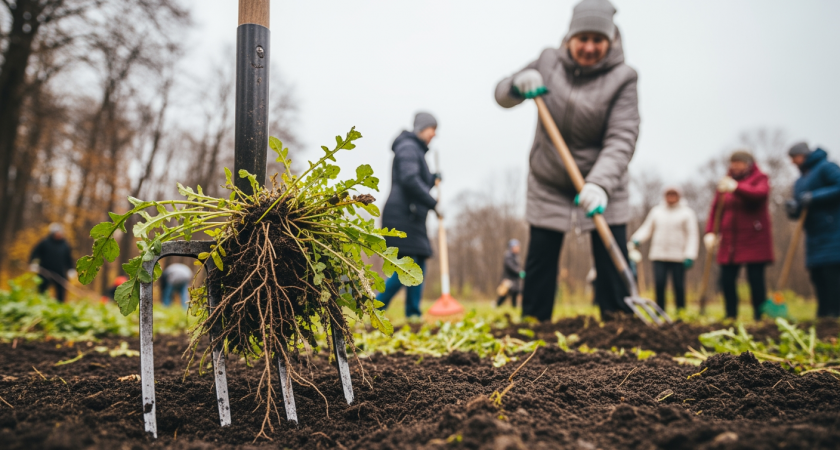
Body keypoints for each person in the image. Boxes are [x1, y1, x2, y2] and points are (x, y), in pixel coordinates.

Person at [495, 0, 639, 321]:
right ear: (569, 37)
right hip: (549, 179)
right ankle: (534, 326)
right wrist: (517, 85)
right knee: (541, 262)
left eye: (598, 40)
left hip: (604, 182)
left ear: (611, 40)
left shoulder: (623, 78)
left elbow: (622, 137)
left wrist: (599, 184)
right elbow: (501, 94)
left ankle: (620, 327)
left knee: (611, 258)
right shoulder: (548, 61)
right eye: (582, 38)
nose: (589, 47)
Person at [377, 112, 440, 319]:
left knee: (418, 265)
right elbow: (409, 179)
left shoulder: (416, 151)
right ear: (422, 128)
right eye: (433, 129)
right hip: (401, 217)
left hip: (412, 217)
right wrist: (433, 203)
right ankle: (375, 307)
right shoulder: (408, 147)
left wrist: (432, 178)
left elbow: (418, 180)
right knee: (406, 268)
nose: (434, 134)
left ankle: (413, 313)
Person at [704, 151, 773, 321]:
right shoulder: (724, 183)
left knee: (755, 278)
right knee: (727, 278)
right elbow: (716, 209)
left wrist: (736, 188)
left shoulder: (760, 178)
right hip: (730, 239)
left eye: (739, 162)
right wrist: (711, 232)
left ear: (748, 164)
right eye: (733, 163)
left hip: (754, 237)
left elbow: (759, 195)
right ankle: (731, 314)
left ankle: (759, 314)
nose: (735, 166)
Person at [785, 142, 840, 318]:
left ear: (804, 155)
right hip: (813, 235)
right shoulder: (800, 181)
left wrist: (814, 197)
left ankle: (835, 312)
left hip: (833, 230)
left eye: (795, 158)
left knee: (832, 273)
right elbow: (801, 207)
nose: (793, 162)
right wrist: (794, 208)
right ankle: (823, 313)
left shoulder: (826, 167)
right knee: (817, 275)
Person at [629, 187, 699, 311]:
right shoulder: (657, 212)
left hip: (679, 256)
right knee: (659, 284)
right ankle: (660, 310)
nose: (671, 197)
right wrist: (636, 239)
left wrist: (690, 255)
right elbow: (647, 228)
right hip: (659, 254)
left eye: (674, 194)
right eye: (668, 194)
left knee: (678, 285)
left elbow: (692, 235)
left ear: (679, 196)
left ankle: (680, 310)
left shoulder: (687, 213)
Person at [29, 223, 75, 303]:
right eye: (57, 232)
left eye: (60, 232)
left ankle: (60, 307)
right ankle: (40, 305)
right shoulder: (45, 242)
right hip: (45, 271)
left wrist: (71, 269)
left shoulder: (65, 245)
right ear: (52, 233)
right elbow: (35, 252)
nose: (59, 234)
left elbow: (69, 258)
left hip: (60, 272)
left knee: (61, 292)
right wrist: (33, 262)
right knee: (42, 290)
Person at [496, 239, 523, 307]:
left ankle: (514, 307)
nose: (518, 248)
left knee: (515, 292)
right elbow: (511, 266)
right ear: (512, 247)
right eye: (516, 246)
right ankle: (496, 305)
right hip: (508, 278)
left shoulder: (516, 256)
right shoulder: (508, 256)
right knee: (504, 293)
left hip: (515, 279)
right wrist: (519, 272)